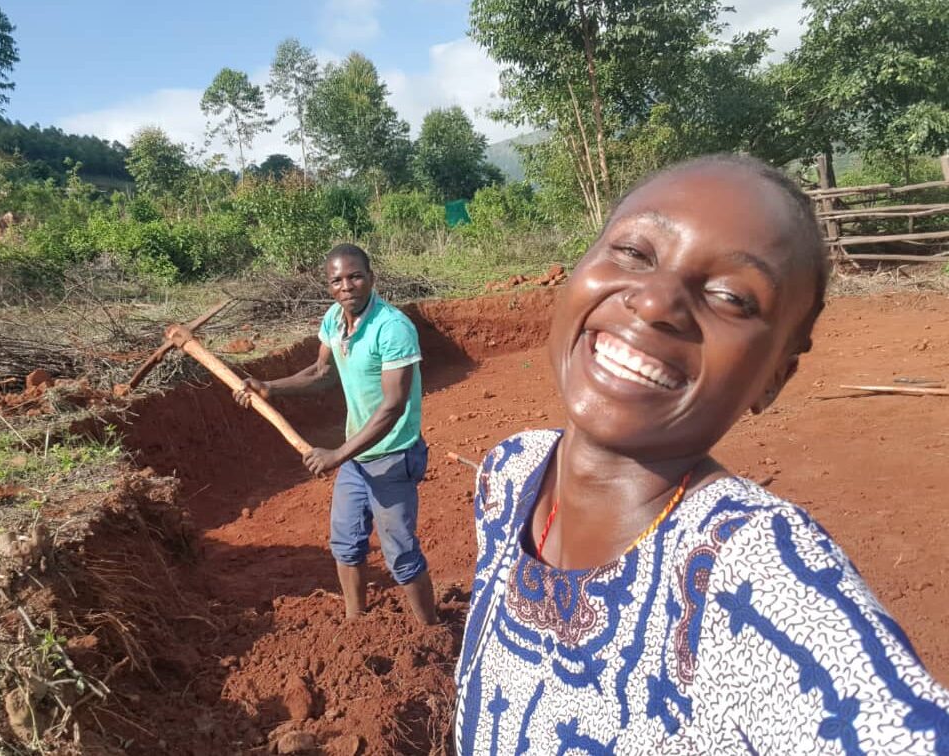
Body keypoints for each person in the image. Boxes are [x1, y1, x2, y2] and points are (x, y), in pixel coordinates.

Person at [454, 155, 948, 753]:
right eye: (635, 253)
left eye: (732, 297)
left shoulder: (755, 582)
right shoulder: (511, 473)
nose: (658, 301)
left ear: (774, 378)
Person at [234, 243, 438, 625]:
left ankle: (432, 630)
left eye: (355, 276)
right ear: (329, 286)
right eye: (337, 280)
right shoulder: (334, 319)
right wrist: (268, 386)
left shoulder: (392, 328)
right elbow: (320, 372)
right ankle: (355, 624)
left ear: (371, 278)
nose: (347, 286)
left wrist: (337, 454)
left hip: (392, 455)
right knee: (346, 543)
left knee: (400, 552)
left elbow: (392, 408)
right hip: (357, 460)